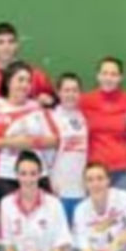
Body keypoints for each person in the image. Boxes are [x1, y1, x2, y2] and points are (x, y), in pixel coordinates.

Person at [0, 61, 58, 205]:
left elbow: (54, 140)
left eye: (28, 81)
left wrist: (31, 142)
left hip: (36, 175)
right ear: (8, 81)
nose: (25, 85)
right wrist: (10, 142)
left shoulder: (37, 107)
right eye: (20, 80)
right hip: (1, 176)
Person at [80, 56, 126, 192]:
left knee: (122, 212)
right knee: (96, 213)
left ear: (120, 78)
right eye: (105, 73)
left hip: (123, 170)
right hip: (95, 172)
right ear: (98, 76)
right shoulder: (84, 101)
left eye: (113, 74)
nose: (109, 78)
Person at [0, 22, 54, 105]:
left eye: (11, 42)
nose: (6, 47)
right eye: (1, 42)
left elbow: (54, 100)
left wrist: (48, 100)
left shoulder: (35, 75)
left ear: (17, 45)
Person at [49, 73, 88, 221]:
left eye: (74, 90)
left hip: (82, 189)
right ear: (58, 92)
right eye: (66, 90)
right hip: (59, 189)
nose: (70, 94)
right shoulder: (50, 117)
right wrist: (50, 183)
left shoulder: (85, 117)